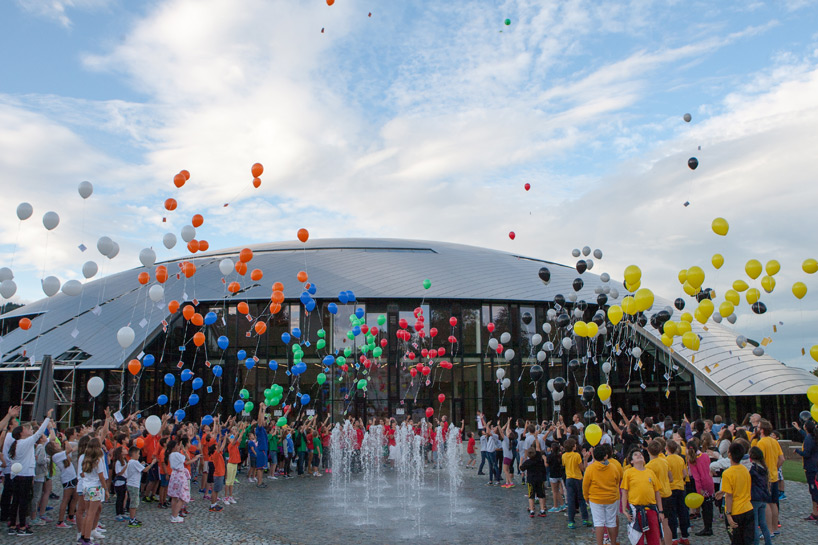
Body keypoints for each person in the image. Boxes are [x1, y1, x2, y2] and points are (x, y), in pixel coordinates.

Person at [6, 410, 52, 536]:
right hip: (25, 475)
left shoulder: (16, 444)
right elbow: (39, 433)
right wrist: (47, 418)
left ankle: (13, 526)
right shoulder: (25, 442)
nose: (28, 430)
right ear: (21, 433)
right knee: (23, 502)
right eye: (25, 429)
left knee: (16, 501)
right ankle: (22, 527)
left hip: (16, 475)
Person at [621, 448, 664, 545]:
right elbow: (624, 492)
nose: (639, 456)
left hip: (651, 509)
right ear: (632, 461)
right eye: (636, 455)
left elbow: (657, 492)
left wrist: (661, 511)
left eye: (640, 454)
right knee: (637, 540)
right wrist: (624, 510)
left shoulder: (650, 472)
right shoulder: (628, 473)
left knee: (654, 539)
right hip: (636, 510)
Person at [582, 445, 622, 545]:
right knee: (611, 522)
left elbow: (585, 485)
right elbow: (617, 480)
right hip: (611, 498)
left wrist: (586, 497)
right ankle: (613, 542)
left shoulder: (590, 469)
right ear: (606, 456)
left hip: (596, 499)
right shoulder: (613, 467)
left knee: (598, 523)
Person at [719, 442, 754, 545]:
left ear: (729, 454)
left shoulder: (727, 473)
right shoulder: (745, 470)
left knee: (736, 541)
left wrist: (728, 515)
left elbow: (729, 496)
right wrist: (722, 491)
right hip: (748, 508)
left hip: (735, 511)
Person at [755, 420, 783, 537]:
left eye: (758, 427)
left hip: (765, 477)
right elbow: (781, 459)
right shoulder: (774, 441)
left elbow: (759, 461)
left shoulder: (761, 443)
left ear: (762, 430)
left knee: (766, 504)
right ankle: (775, 528)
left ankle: (769, 530)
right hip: (774, 476)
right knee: (773, 503)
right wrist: (775, 468)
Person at [78, 437, 106, 545]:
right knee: (91, 514)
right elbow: (101, 476)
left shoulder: (85, 459)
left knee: (87, 513)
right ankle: (87, 538)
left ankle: (83, 535)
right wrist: (106, 489)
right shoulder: (98, 460)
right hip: (95, 487)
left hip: (86, 487)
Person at [645, 440, 672, 545]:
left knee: (657, 526)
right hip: (667, 494)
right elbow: (671, 478)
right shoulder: (664, 461)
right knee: (666, 524)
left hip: (657, 497)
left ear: (648, 451)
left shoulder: (649, 466)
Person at [45, 440, 77, 529]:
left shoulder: (61, 453)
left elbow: (73, 449)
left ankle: (71, 516)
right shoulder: (56, 456)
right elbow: (69, 449)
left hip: (72, 476)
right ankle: (60, 521)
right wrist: (65, 440)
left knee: (75, 497)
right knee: (66, 499)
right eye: (55, 444)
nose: (57, 444)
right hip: (67, 478)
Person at [664, 440, 690, 545]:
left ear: (666, 449)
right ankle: (685, 536)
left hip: (671, 488)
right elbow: (685, 474)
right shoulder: (680, 459)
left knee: (672, 514)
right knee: (682, 512)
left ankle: (673, 538)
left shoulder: (666, 460)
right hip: (681, 487)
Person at [687, 438, 714, 536]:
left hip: (702, 484)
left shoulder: (692, 460)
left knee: (705, 507)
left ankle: (707, 528)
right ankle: (709, 527)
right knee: (709, 505)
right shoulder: (705, 456)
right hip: (709, 482)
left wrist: (699, 490)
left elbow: (697, 477)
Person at [562, 437, 591, 529]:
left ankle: (571, 521)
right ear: (573, 446)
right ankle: (585, 519)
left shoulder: (564, 455)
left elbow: (564, 465)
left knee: (570, 500)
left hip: (568, 479)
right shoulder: (577, 455)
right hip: (578, 479)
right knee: (581, 499)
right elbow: (582, 468)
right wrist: (585, 459)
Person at [125, 445, 157, 526]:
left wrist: (142, 464)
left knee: (134, 501)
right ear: (134, 454)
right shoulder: (134, 462)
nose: (139, 455)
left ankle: (133, 517)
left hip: (131, 484)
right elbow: (145, 470)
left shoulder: (131, 462)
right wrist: (152, 463)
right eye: (138, 454)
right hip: (134, 485)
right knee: (134, 502)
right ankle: (131, 519)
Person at [793, 419, 818, 519]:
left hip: (811, 468)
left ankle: (816, 513)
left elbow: (806, 454)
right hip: (814, 466)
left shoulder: (809, 439)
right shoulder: (813, 436)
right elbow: (806, 435)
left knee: (814, 491)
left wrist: (798, 451)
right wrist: (798, 428)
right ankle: (815, 512)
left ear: (806, 427)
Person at [748, 446, 772, 545]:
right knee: (763, 524)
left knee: (755, 524)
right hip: (763, 498)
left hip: (754, 497)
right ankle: (768, 542)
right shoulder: (764, 468)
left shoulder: (753, 469)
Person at [520, 446, 548, 517]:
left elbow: (521, 468)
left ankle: (532, 510)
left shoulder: (528, 462)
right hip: (540, 479)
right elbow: (538, 451)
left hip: (531, 480)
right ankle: (542, 510)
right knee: (541, 495)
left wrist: (521, 461)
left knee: (531, 496)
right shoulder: (539, 460)